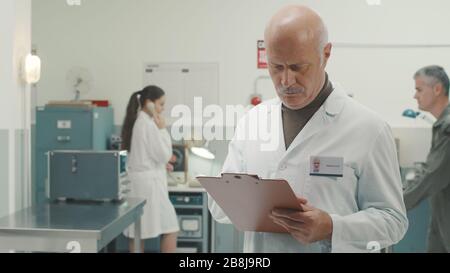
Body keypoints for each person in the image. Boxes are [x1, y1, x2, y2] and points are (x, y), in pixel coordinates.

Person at [208, 5, 408, 252]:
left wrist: (332, 227)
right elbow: (219, 208)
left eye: (297, 67)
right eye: (276, 67)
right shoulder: (253, 120)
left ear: (326, 54)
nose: (286, 81)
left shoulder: (369, 128)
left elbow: (393, 221)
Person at [122, 85, 179, 253]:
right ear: (149, 103)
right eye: (161, 104)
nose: (163, 108)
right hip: (149, 187)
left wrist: (160, 164)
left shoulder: (137, 122)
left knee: (137, 232)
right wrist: (163, 130)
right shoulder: (149, 124)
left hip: (139, 183)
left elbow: (145, 155)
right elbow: (164, 155)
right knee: (171, 228)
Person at [403, 65, 450, 253]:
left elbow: (431, 175)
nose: (415, 95)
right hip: (441, 212)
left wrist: (393, 202)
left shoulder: (447, 127)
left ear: (437, 89)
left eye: (419, 89)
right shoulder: (442, 124)